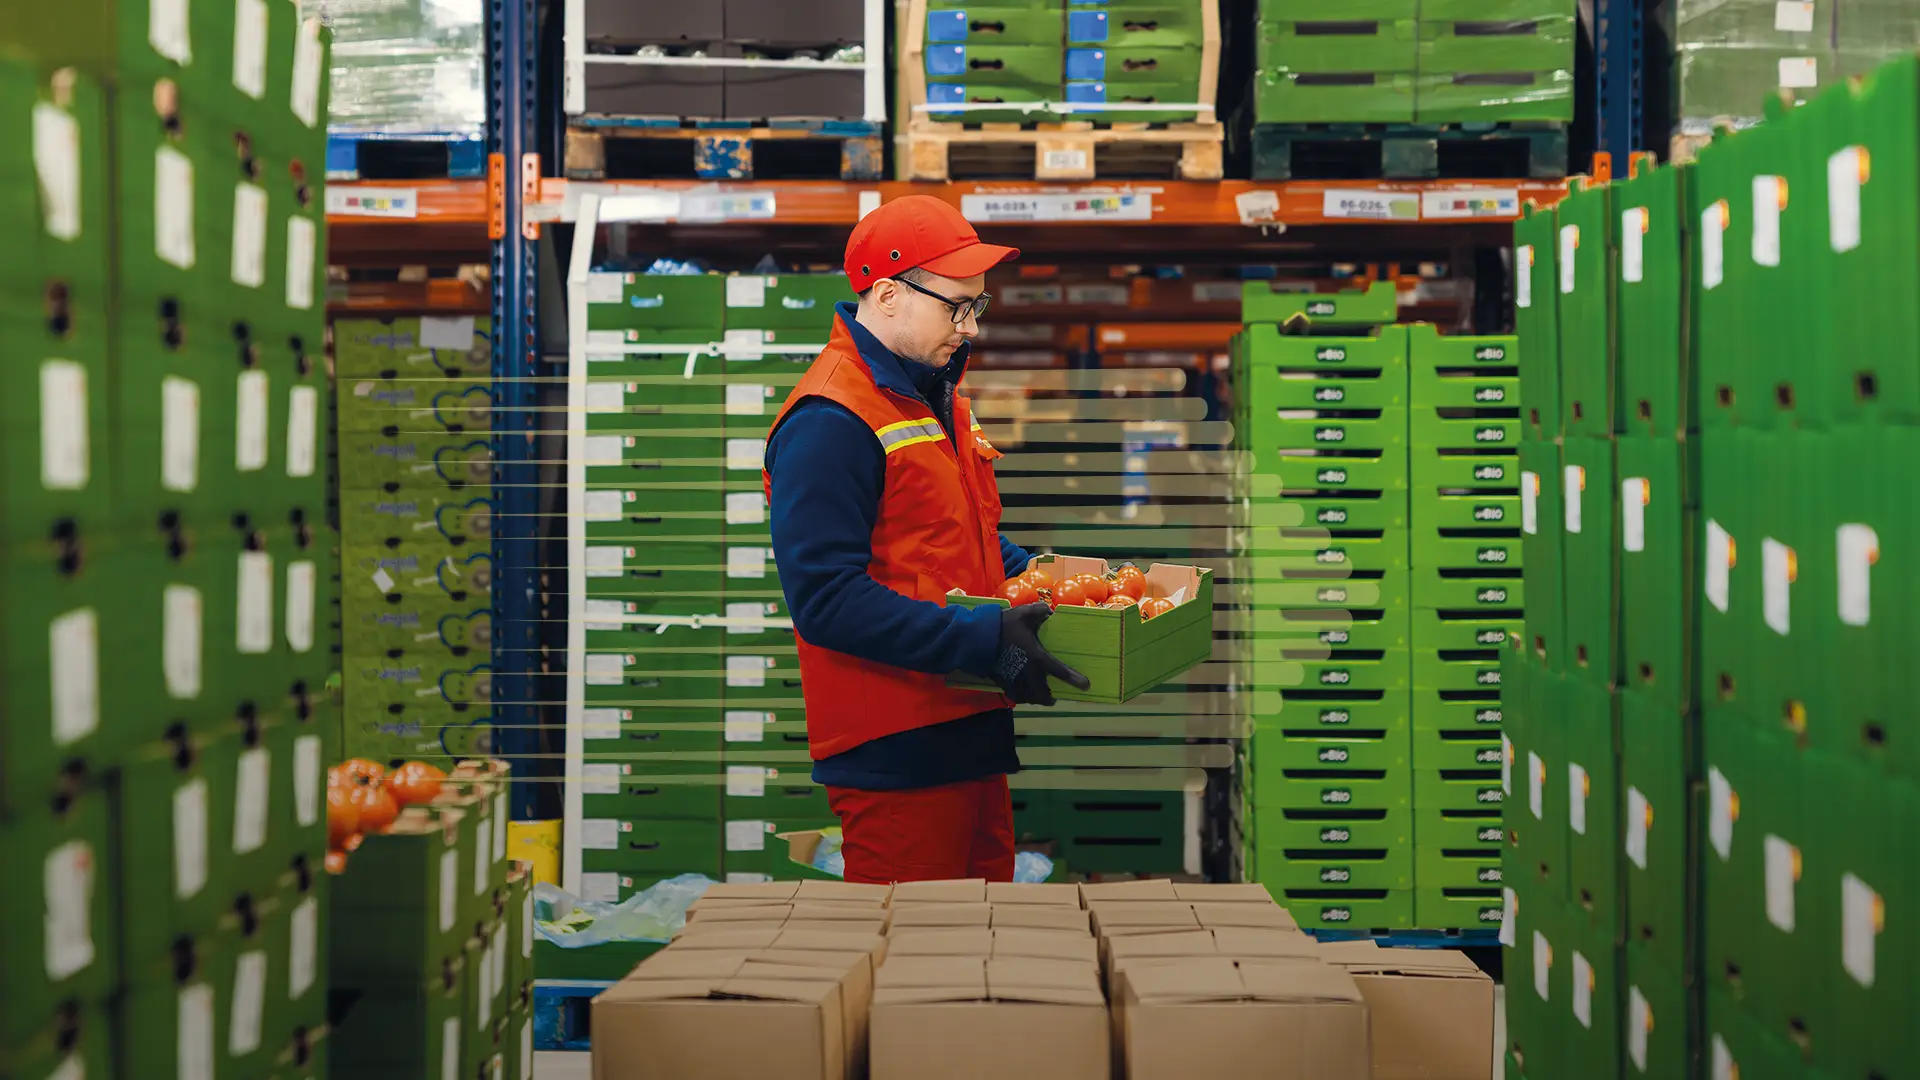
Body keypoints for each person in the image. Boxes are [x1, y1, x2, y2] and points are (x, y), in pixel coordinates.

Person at [761, 195, 1088, 885]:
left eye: (978, 306)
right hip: (896, 747)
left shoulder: (934, 397)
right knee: (914, 967)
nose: (970, 328)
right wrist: (986, 640)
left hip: (969, 724)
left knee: (980, 957)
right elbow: (825, 599)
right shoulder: (831, 419)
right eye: (955, 307)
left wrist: (1046, 585)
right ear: (886, 295)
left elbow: (960, 533)